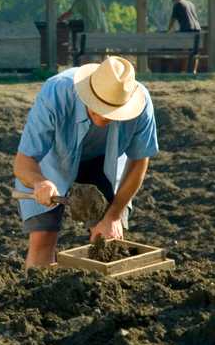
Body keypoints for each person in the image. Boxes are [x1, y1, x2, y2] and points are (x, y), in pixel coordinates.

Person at [12, 56, 159, 268]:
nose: (104, 115)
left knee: (109, 239)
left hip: (104, 162)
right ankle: (33, 294)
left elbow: (138, 164)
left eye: (112, 111)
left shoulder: (141, 104)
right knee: (42, 236)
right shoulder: (56, 93)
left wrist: (114, 214)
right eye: (99, 106)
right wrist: (39, 182)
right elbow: (23, 161)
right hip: (53, 161)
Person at [166, 0, 201, 73]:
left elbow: (172, 20)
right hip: (197, 28)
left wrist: (168, 31)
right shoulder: (191, 4)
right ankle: (194, 70)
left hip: (186, 29)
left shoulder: (177, 4)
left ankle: (184, 70)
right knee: (195, 51)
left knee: (184, 50)